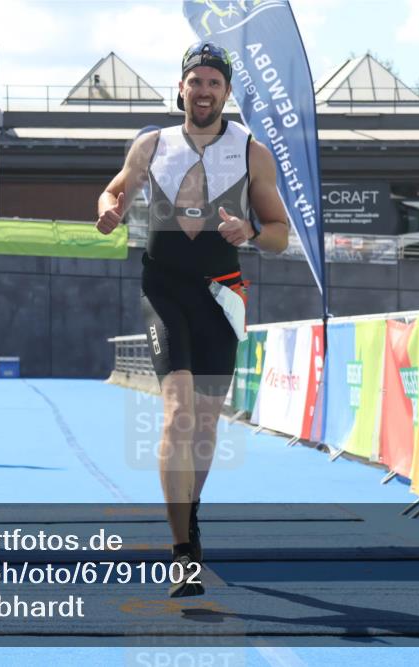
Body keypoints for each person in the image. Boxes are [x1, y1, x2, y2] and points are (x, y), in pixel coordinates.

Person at [96, 42, 288, 597]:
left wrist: (250, 233)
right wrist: (106, 209)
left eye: (214, 83)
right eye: (195, 81)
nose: (203, 91)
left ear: (227, 92)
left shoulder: (251, 151)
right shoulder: (151, 144)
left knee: (205, 424)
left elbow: (277, 231)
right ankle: (182, 551)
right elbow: (115, 190)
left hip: (220, 295)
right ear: (180, 86)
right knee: (178, 413)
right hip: (164, 288)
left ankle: (189, 512)